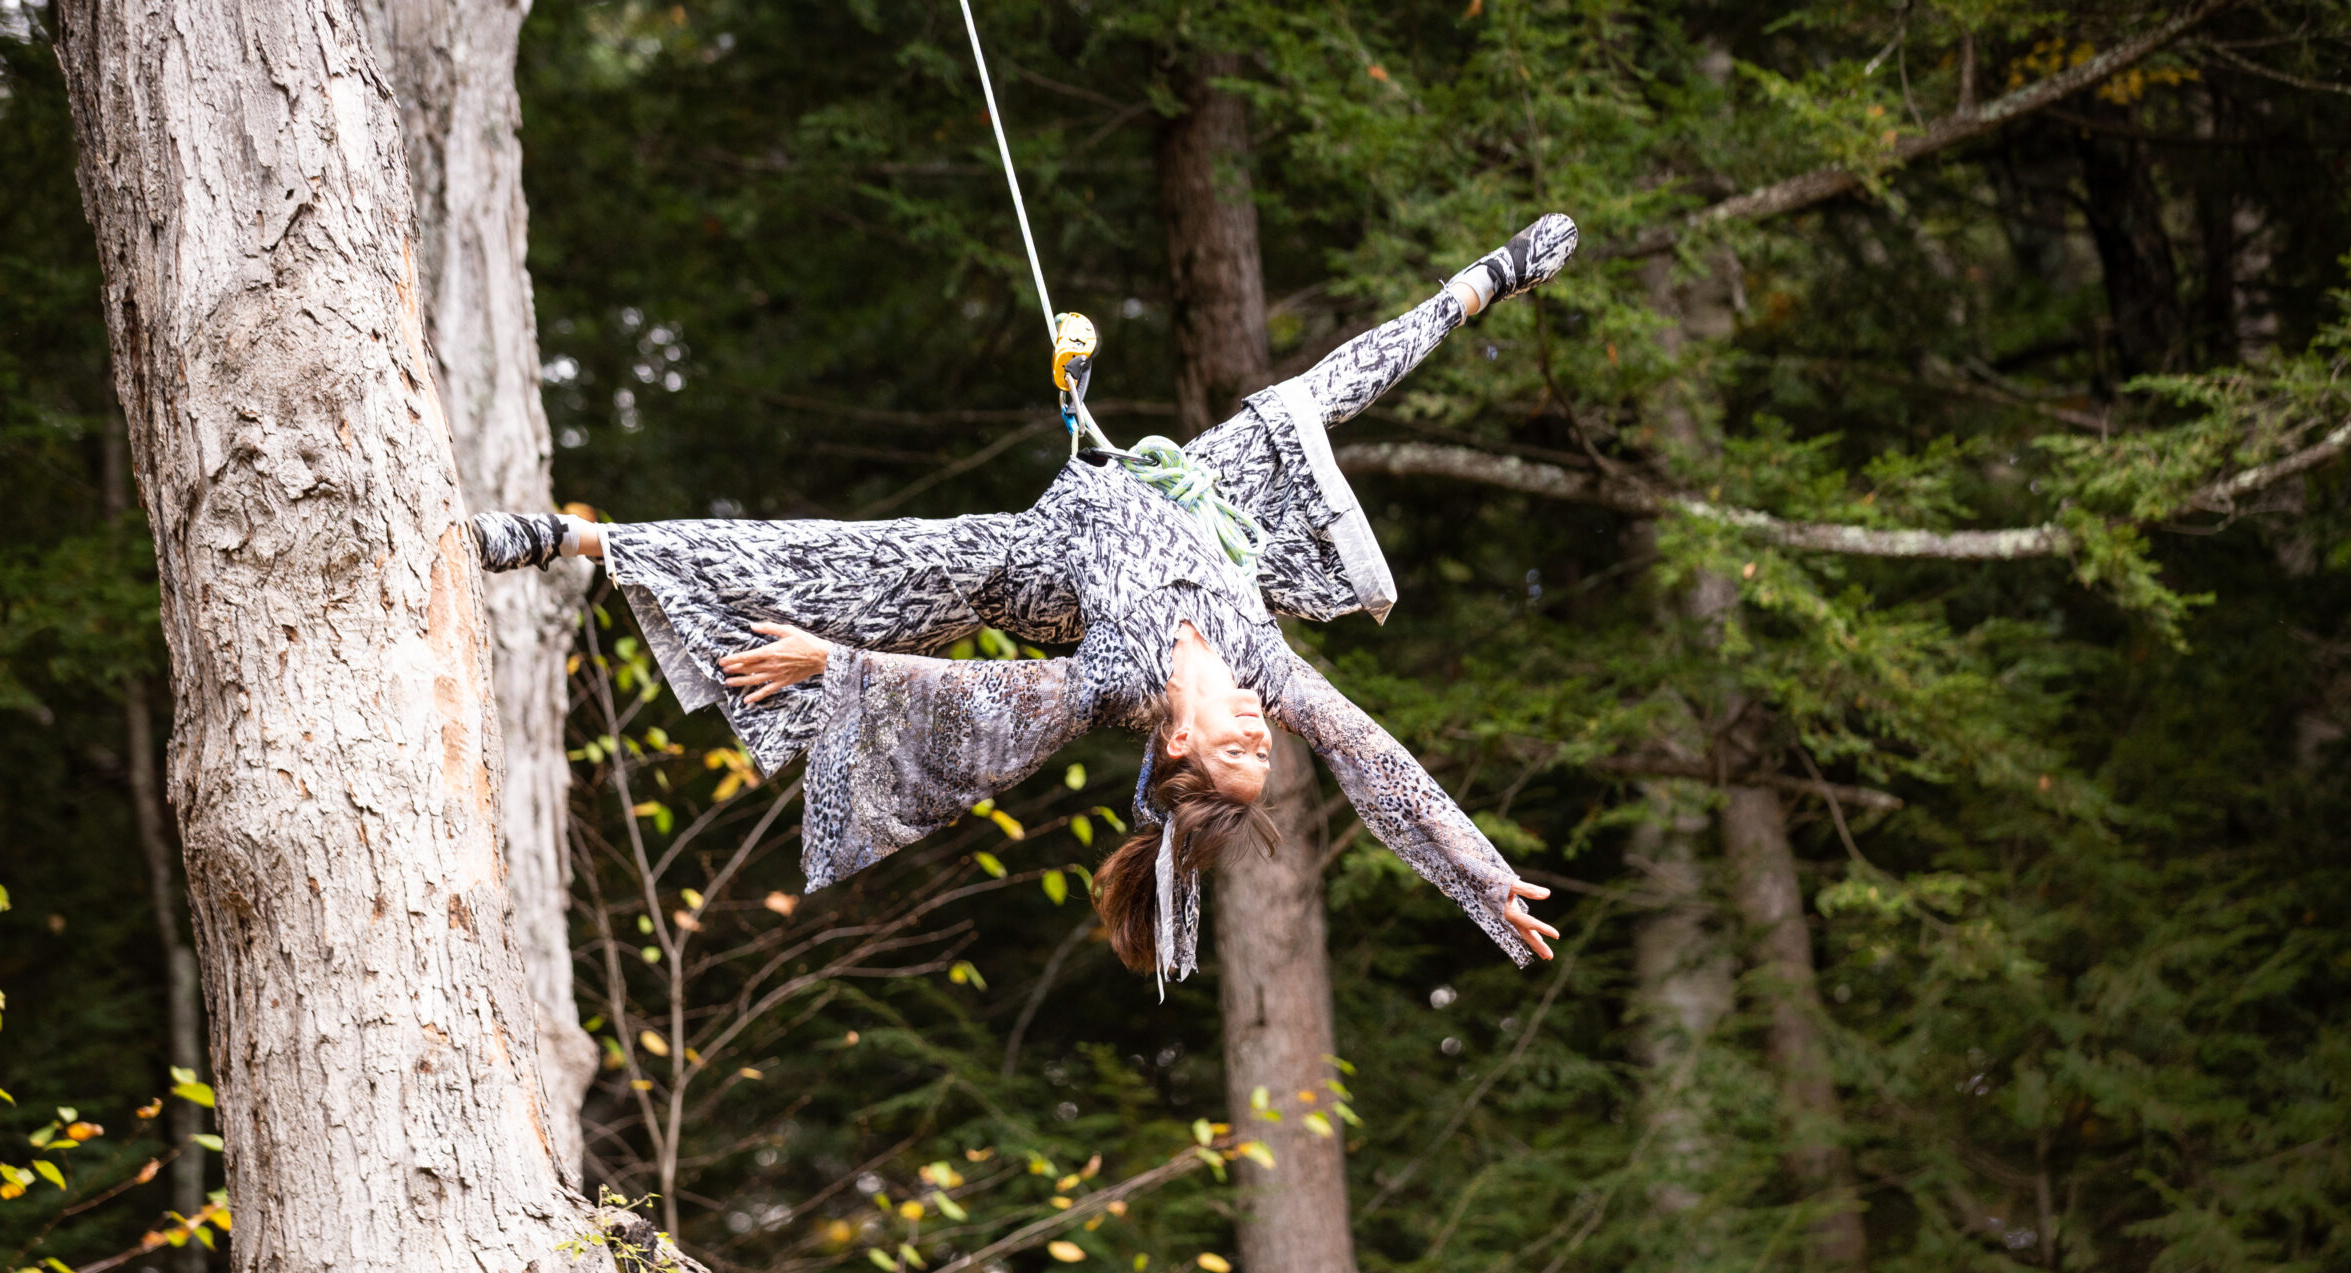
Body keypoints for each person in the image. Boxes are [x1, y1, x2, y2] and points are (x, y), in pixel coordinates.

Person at [473, 216, 1577, 985]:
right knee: (1304, 401)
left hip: (1035, 566)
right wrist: (1488, 875)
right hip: (1188, 494)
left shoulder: (1112, 685)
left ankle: (577, 539)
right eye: (1263, 745)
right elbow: (1386, 768)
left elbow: (986, 693)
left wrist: (833, 667)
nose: (1256, 728)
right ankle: (1484, 280)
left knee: (848, 564)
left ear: (1179, 748)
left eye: (1235, 750)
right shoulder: (1265, 665)